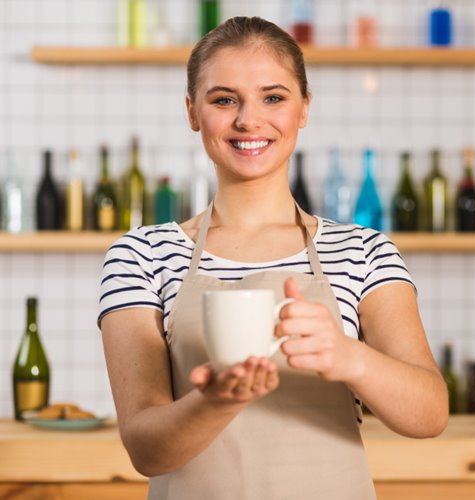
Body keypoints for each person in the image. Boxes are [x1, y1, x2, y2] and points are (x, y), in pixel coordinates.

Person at [98, 16, 448, 500]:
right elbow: (145, 448)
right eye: (224, 100)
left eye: (274, 97)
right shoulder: (141, 255)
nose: (249, 120)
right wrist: (216, 401)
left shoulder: (364, 252)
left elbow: (430, 414)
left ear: (304, 108)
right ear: (192, 112)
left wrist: (350, 357)